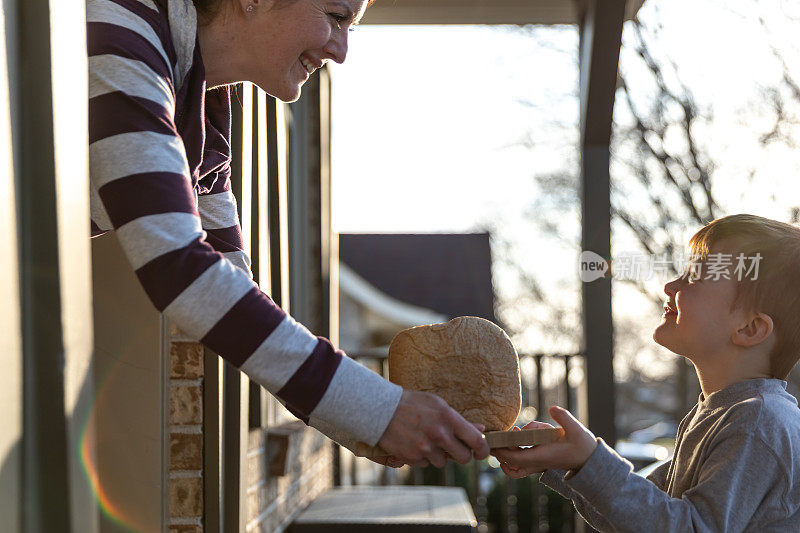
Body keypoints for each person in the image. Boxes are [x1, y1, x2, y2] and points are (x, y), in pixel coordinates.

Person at [87, 0, 489, 468]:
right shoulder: (122, 31)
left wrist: (370, 421)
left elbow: (228, 282)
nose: (340, 51)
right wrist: (379, 413)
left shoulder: (204, 106)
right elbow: (179, 268)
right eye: (336, 18)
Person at [493, 214, 800, 531]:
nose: (670, 286)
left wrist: (588, 461)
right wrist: (566, 460)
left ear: (750, 328)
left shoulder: (759, 423)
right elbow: (638, 516)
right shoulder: (722, 414)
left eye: (695, 277)